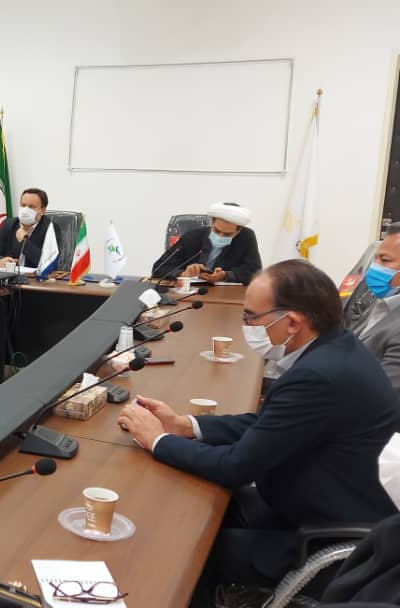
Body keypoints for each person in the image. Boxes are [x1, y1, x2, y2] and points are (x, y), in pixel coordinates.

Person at [118, 259, 400, 600]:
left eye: (251, 317)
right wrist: (186, 425)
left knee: (188, 551)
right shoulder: (335, 349)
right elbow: (269, 424)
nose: (246, 326)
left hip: (330, 539)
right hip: (308, 504)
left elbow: (236, 467)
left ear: (292, 322)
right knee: (198, 510)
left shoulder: (320, 375)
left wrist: (158, 440)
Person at [151, 201, 262, 285]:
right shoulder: (191, 237)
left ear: (238, 231)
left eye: (227, 234)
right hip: (188, 294)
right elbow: (159, 268)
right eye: (216, 231)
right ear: (211, 223)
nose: (220, 236)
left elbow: (255, 273)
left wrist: (225, 275)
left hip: (223, 296)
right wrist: (182, 274)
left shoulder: (246, 237)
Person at [346, 222, 400, 393]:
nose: (374, 267)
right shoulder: (382, 304)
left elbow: (385, 393)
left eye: (385, 260)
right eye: (375, 259)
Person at [0, 188, 60, 270]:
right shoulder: (9, 225)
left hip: (35, 277)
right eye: (23, 205)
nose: (25, 210)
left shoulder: (50, 228)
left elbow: (48, 263)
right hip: (10, 275)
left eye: (31, 207)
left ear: (42, 210)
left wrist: (24, 242)